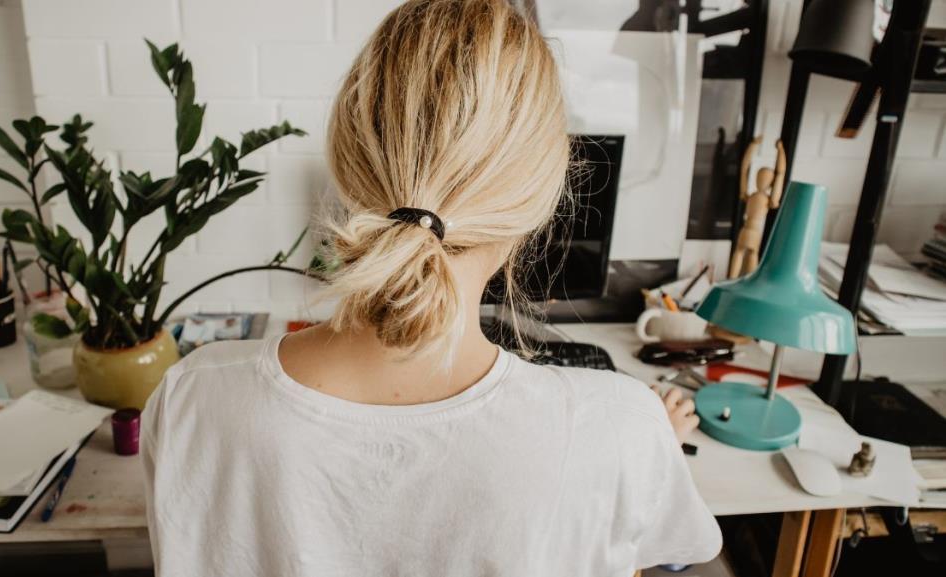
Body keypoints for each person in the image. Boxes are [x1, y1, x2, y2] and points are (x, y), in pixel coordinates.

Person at [141, 1, 721, 575]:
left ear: (346, 166)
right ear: (539, 200)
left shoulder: (191, 397)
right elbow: (669, 553)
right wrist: (641, 451)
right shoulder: (620, 428)